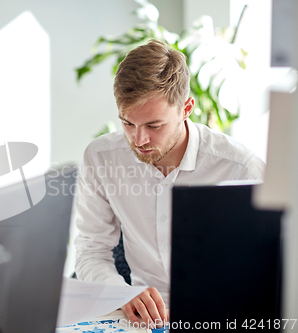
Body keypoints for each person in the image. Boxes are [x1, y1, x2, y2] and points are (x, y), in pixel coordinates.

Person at [74, 40, 264, 328]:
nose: (139, 140)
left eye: (154, 126)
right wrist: (121, 293)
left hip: (223, 315)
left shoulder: (240, 168)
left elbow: (266, 268)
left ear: (187, 108)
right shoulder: (101, 158)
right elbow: (91, 250)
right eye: (127, 123)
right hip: (137, 320)